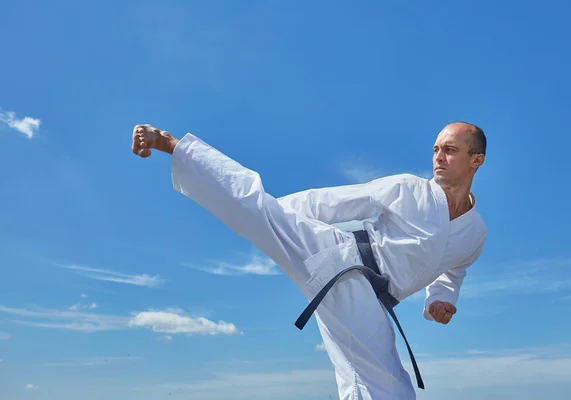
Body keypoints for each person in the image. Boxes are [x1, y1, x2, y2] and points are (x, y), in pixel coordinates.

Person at [130, 121, 487, 400]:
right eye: (436, 149)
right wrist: (278, 215)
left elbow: (454, 267)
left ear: (476, 160)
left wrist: (440, 300)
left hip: (372, 304)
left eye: (450, 150)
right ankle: (173, 145)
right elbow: (334, 201)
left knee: (392, 390)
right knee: (259, 209)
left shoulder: (475, 234)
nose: (438, 156)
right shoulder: (409, 188)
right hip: (338, 256)